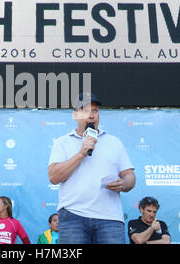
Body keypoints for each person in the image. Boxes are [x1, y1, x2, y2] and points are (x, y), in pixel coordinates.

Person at [48, 92, 135, 244]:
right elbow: (54, 177)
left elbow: (129, 175)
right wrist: (81, 153)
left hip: (110, 219)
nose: (92, 116)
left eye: (95, 111)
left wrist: (124, 184)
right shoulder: (62, 142)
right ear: (75, 115)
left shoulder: (114, 142)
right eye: (86, 111)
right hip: (73, 216)